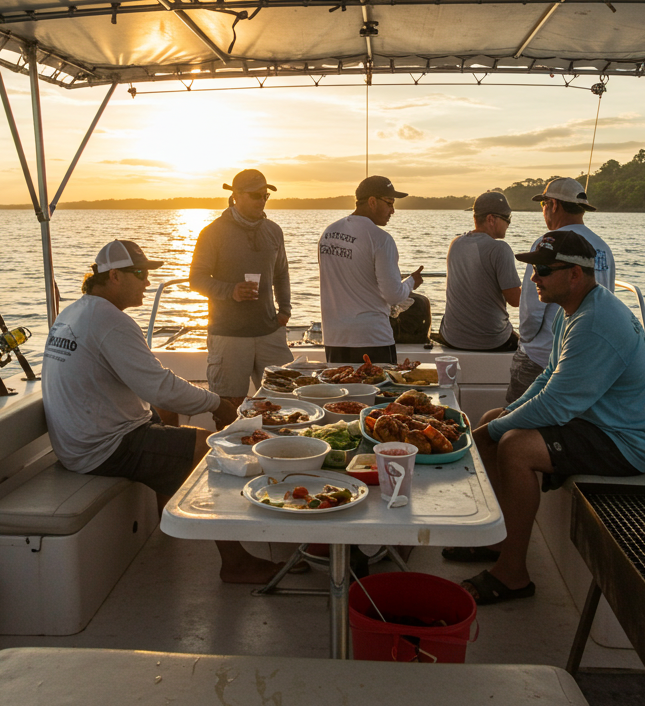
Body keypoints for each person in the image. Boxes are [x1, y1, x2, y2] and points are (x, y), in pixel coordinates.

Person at [42, 239, 284, 584]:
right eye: (140, 274)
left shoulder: (76, 311)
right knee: (212, 452)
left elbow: (155, 388)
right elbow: (159, 386)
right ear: (114, 277)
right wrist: (219, 404)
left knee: (166, 414)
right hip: (102, 448)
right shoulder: (111, 322)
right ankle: (235, 563)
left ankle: (167, 520)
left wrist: (195, 404)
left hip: (77, 438)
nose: (147, 282)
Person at [446, 230, 645, 605]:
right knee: (495, 416)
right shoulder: (575, 309)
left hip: (625, 442)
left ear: (575, 275)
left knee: (513, 446)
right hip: (595, 421)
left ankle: (513, 574)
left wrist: (490, 433)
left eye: (544, 270)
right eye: (533, 269)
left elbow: (557, 406)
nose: (534, 278)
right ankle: (500, 542)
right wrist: (499, 420)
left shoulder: (594, 322)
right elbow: (548, 379)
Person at [507, 177, 617, 403]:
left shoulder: (546, 244)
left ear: (554, 205)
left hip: (541, 358)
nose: (543, 210)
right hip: (584, 360)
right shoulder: (603, 248)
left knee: (511, 421)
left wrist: (526, 345)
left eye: (543, 204)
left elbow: (531, 311)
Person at [189, 169, 293, 408]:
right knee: (228, 406)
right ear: (236, 196)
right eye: (256, 195)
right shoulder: (212, 233)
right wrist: (231, 291)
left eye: (265, 195)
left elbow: (281, 272)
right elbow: (196, 279)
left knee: (286, 402)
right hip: (228, 335)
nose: (262, 201)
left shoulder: (274, 231)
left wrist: (285, 310)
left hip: (270, 332)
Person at [317, 175, 423, 363]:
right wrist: (411, 282)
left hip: (334, 338)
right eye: (389, 203)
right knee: (377, 392)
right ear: (372, 201)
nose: (393, 210)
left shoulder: (328, 233)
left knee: (343, 391)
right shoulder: (381, 239)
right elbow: (393, 295)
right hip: (373, 339)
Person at [438, 191, 522, 351]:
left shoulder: (455, 243)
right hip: (492, 341)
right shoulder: (500, 249)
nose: (509, 224)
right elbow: (515, 301)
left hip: (452, 338)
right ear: (491, 219)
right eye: (507, 218)